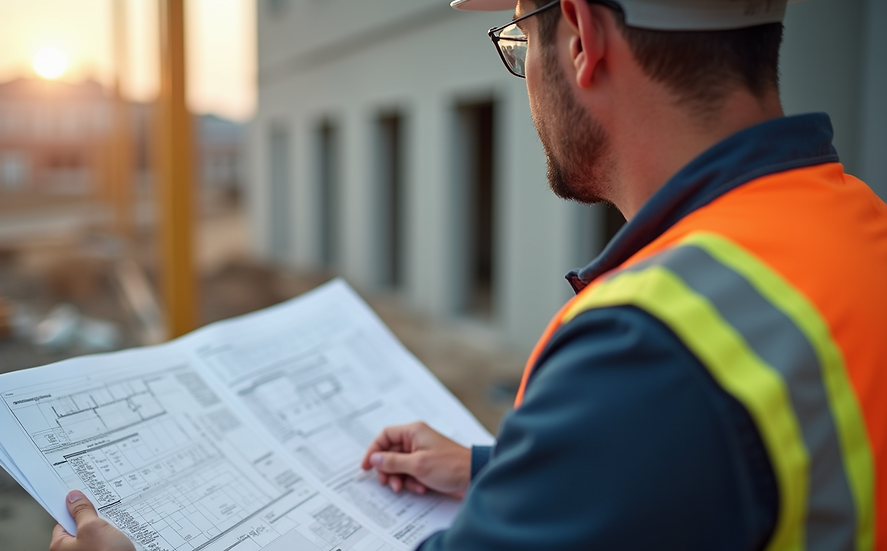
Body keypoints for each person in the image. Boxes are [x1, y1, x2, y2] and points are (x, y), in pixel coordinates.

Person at [51, 0, 887, 549]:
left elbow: (671, 426)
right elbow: (709, 475)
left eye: (520, 35)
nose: (523, 68)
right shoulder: (850, 221)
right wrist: (497, 468)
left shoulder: (653, 345)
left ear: (583, 39)